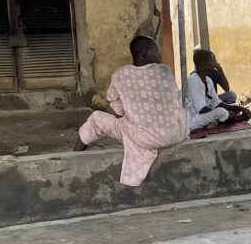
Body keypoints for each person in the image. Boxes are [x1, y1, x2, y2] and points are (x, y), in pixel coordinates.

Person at [74, 35, 188, 187]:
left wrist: (130, 113)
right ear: (145, 53)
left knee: (95, 119)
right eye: (156, 51)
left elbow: (117, 109)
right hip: (174, 134)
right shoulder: (165, 72)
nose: (159, 54)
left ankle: (74, 157)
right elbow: (174, 97)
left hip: (143, 138)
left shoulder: (120, 75)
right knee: (179, 111)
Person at [186, 49, 251, 131]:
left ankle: (228, 119)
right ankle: (235, 119)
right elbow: (202, 109)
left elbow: (217, 103)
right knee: (222, 112)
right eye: (212, 61)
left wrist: (240, 108)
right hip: (192, 120)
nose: (215, 63)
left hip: (202, 116)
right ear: (203, 63)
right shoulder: (193, 80)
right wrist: (226, 112)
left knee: (222, 111)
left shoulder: (208, 80)